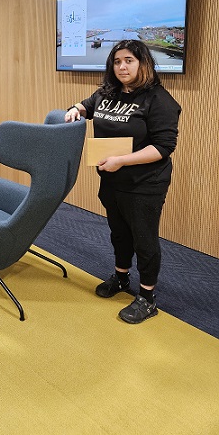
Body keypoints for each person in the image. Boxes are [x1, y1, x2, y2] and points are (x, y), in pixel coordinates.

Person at [65, 39, 181, 324]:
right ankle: (121, 278)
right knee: (119, 233)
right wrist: (75, 109)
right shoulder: (108, 93)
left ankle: (147, 297)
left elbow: (163, 147)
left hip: (144, 183)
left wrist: (121, 160)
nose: (122, 67)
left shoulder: (159, 100)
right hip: (111, 181)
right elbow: (87, 105)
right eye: (117, 62)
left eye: (129, 60)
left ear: (143, 63)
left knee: (144, 239)